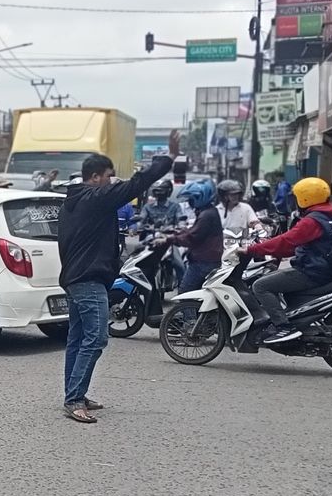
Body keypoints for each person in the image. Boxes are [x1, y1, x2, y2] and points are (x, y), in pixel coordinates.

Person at [58, 152, 173, 423]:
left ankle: (74, 394)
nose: (112, 181)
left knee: (77, 339)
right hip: (88, 280)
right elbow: (135, 184)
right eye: (109, 176)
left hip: (76, 278)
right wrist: (166, 160)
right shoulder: (94, 198)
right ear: (96, 177)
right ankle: (74, 399)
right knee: (96, 338)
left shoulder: (73, 201)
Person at [241, 177, 332, 344]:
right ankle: (295, 320)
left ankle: (283, 326)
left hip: (312, 272)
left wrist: (252, 249)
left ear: (305, 198)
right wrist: (273, 247)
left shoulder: (312, 221)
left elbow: (287, 241)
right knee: (277, 278)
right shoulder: (329, 216)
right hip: (323, 268)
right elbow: (295, 244)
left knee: (261, 285)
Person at [157, 180, 222, 293]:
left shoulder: (206, 215)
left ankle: (189, 311)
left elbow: (192, 237)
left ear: (199, 197)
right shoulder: (208, 211)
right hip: (208, 259)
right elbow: (193, 231)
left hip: (202, 262)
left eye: (191, 199)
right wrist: (175, 233)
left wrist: (170, 239)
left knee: (185, 292)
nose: (190, 202)